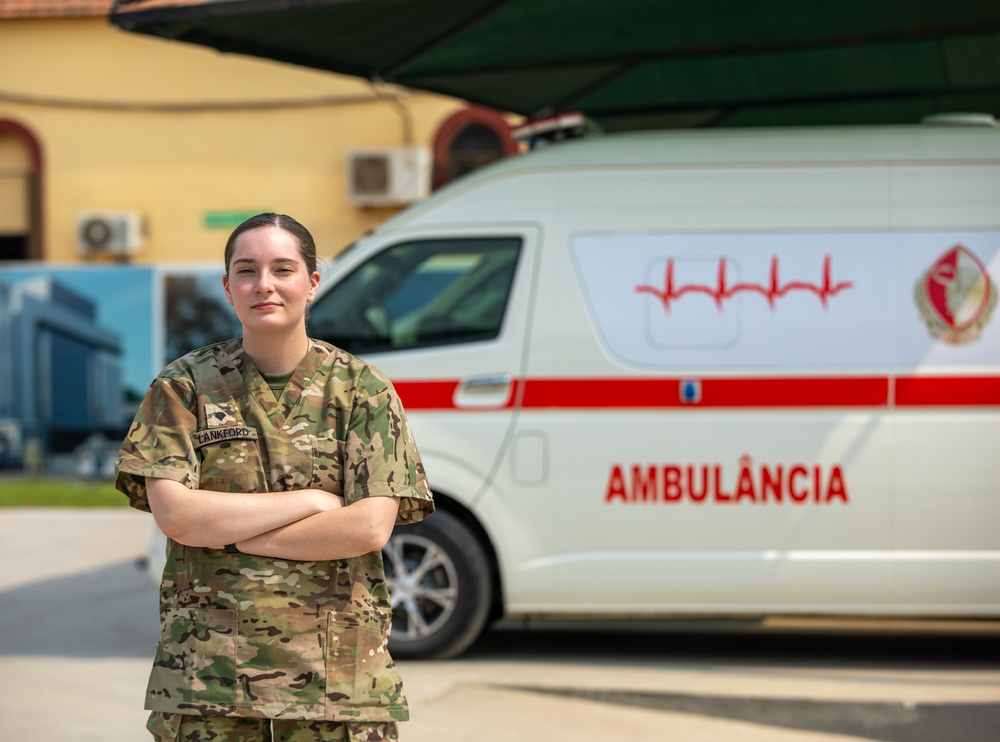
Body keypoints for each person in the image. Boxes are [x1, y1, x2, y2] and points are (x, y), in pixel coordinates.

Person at [115, 213, 433, 742]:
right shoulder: (183, 387)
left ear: (311, 283)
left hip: (337, 685)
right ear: (228, 288)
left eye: (282, 269)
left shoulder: (363, 391)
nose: (263, 284)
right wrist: (311, 499)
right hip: (208, 680)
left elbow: (368, 529)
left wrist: (222, 530)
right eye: (247, 270)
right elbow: (176, 516)